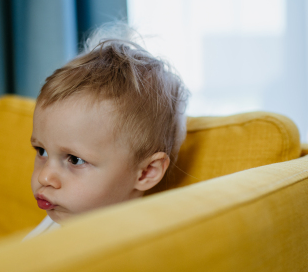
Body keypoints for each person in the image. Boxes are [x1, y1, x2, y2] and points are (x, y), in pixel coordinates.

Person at [24, 24, 189, 239]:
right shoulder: (53, 223)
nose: (44, 176)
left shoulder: (136, 249)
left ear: (147, 172)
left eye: (75, 159)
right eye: (41, 151)